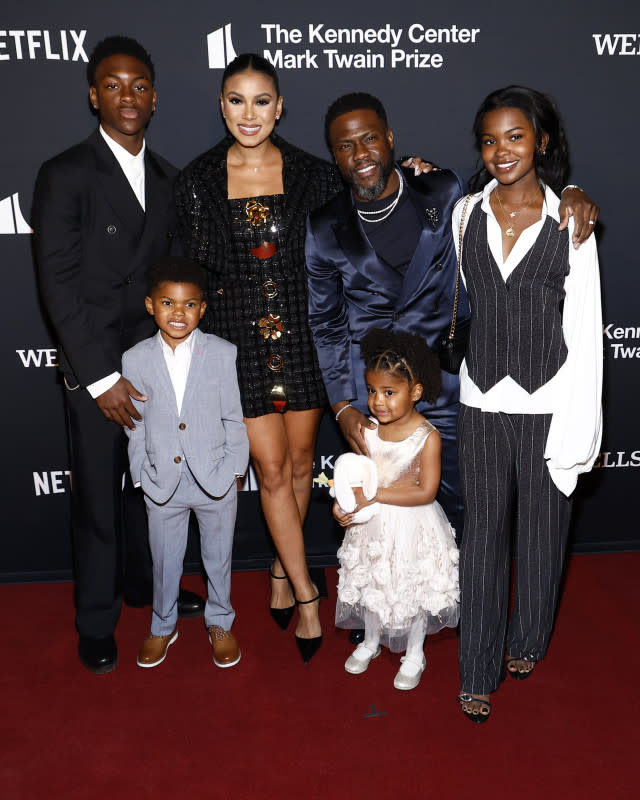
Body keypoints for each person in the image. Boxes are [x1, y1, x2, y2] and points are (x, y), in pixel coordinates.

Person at [305, 91, 598, 645]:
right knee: (382, 508)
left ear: (391, 140)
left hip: (451, 385)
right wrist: (343, 404)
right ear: (334, 156)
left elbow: (513, 180)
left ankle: (461, 606)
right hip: (378, 400)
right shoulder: (323, 227)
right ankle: (386, 609)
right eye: (345, 146)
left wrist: (574, 192)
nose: (360, 152)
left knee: (473, 509)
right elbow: (324, 324)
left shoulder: (444, 192)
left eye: (370, 138)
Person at [32, 36, 203, 675]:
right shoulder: (66, 172)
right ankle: (97, 619)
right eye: (113, 84)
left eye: (138, 85)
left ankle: (144, 588)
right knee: (100, 498)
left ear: (154, 98)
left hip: (156, 362)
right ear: (93, 95)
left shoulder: (168, 177)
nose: (126, 96)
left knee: (152, 491)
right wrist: (100, 377)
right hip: (97, 367)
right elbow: (57, 282)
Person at [174, 53, 347, 662]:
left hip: (303, 340)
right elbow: (191, 272)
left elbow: (356, 232)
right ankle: (305, 594)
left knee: (302, 465)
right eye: (237, 100)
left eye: (262, 101)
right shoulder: (197, 180)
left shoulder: (315, 176)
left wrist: (416, 170)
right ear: (222, 106)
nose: (250, 114)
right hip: (236, 346)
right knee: (271, 471)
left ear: (280, 106)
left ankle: (280, 565)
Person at [454, 86, 603, 723]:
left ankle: (528, 639)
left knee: (543, 535)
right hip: (480, 397)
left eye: (515, 137)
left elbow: (587, 328)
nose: (501, 151)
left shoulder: (571, 220)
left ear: (541, 141)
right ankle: (477, 667)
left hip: (549, 397)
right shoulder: (465, 214)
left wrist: (581, 427)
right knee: (482, 538)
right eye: (489, 140)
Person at [122, 257, 249, 669]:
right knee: (165, 560)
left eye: (189, 304)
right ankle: (162, 626)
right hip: (161, 481)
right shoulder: (135, 359)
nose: (179, 313)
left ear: (203, 308)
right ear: (149, 305)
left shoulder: (222, 353)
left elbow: (234, 415)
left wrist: (235, 469)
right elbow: (134, 425)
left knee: (218, 557)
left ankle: (220, 622)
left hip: (215, 478)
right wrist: (141, 472)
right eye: (167, 303)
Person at [332, 330, 459, 691]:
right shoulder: (366, 432)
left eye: (389, 392)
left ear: (415, 392)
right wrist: (343, 507)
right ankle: (371, 641)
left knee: (411, 587)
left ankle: (415, 653)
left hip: (413, 524)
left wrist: (375, 496)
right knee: (374, 579)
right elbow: (356, 480)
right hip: (372, 525)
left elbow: (425, 491)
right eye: (372, 391)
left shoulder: (426, 436)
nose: (378, 401)